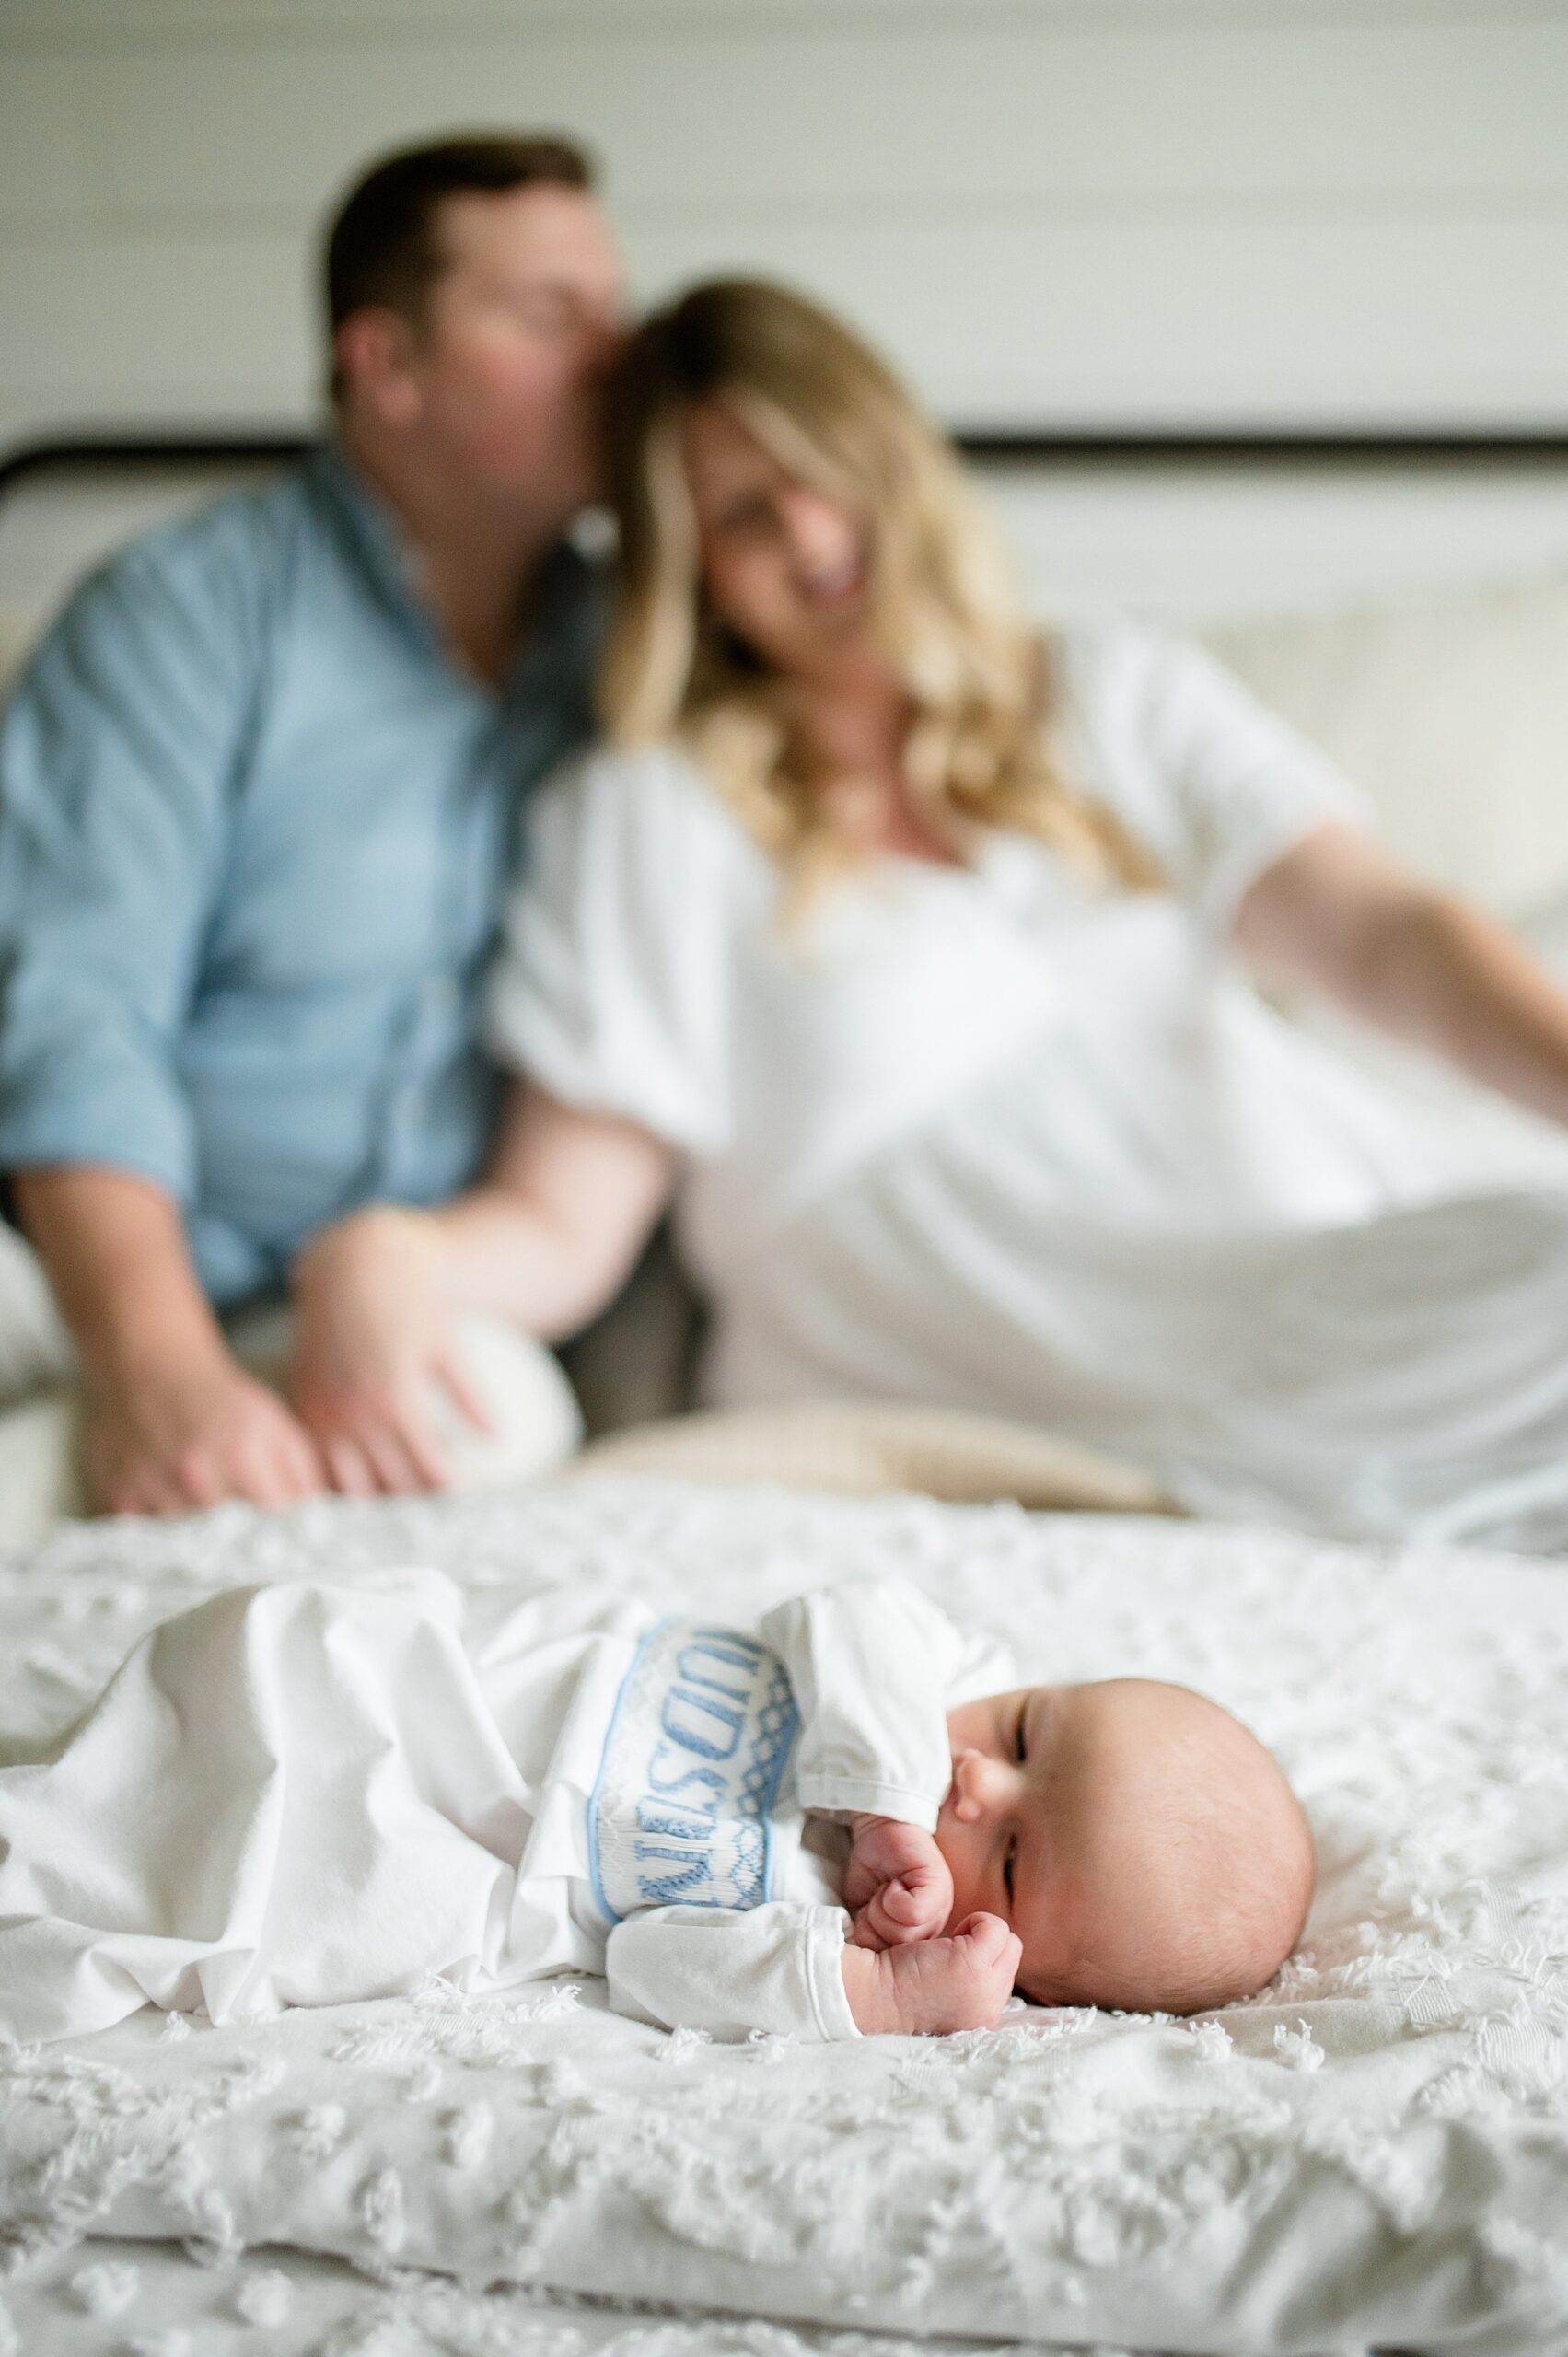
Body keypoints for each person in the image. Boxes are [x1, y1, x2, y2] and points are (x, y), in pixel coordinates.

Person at [301, 276, 1568, 1551]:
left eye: (821, 468)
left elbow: (1384, 936)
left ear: (895, 457)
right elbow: (567, 1218)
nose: (807, 533)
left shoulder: (1113, 693)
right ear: (697, 577)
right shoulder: (653, 815)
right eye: (742, 515)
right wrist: (393, 1257)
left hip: (1308, 1269)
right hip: (1026, 1368)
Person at [0, 134, 623, 1528]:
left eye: (617, 312)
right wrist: (158, 1371)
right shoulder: (181, 615)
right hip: (76, 1273)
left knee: (500, 1421)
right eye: (549, 314)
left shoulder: (627, 662)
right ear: (386, 366)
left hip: (390, 1300)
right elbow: (75, 1014)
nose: (616, 355)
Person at [0, 1573, 1312, 2044]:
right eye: (1032, 1735)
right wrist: (885, 1789)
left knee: (277, 1890)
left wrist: (879, 2000)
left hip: (488, 1851)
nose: (981, 1779)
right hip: (483, 1684)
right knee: (283, 1659)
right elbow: (835, 1612)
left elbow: (656, 1960)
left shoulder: (849, 1936)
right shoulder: (931, 1684)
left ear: (1025, 1972)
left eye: (1014, 1854)